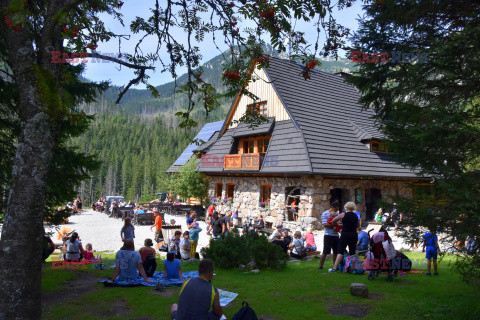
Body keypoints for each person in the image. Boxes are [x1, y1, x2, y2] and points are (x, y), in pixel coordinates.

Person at [329, 202, 360, 272]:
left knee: (340, 251)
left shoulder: (343, 215)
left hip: (345, 234)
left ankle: (334, 268)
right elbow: (358, 226)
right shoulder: (356, 216)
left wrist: (337, 224)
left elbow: (333, 220)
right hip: (353, 235)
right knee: (352, 252)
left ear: (346, 207)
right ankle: (354, 268)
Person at [318, 202, 340, 270]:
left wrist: (336, 226)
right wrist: (334, 225)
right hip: (328, 235)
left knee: (336, 251)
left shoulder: (337, 214)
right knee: (325, 252)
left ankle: (335, 266)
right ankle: (320, 266)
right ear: (332, 207)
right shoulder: (325, 213)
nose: (336, 211)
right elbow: (325, 225)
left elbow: (339, 223)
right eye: (336, 209)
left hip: (336, 235)